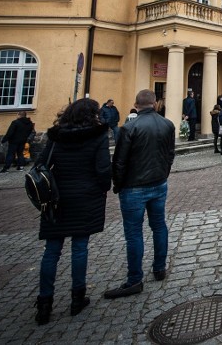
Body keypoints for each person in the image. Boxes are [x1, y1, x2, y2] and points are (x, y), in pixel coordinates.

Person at [35, 98, 111, 324]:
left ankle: (44, 303)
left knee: (51, 252)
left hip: (57, 198)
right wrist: (103, 188)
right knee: (80, 248)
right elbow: (103, 168)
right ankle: (77, 298)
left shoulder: (57, 136)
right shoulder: (97, 135)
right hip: (84, 197)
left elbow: (41, 165)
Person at [105, 89, 175, 298]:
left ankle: (135, 279)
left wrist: (118, 185)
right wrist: (164, 173)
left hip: (134, 187)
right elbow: (170, 154)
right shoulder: (167, 124)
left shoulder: (129, 127)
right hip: (159, 183)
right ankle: (159, 268)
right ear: (154, 103)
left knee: (134, 232)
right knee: (159, 225)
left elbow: (119, 161)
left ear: (136, 105)